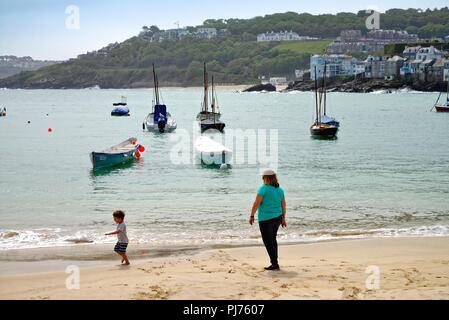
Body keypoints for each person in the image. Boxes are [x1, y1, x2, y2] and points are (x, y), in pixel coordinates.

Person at [250, 169, 287, 271]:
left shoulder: (263, 188)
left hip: (266, 219)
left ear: (265, 178)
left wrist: (252, 215)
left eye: (263, 177)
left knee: (268, 241)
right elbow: (283, 205)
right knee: (273, 239)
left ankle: (274, 263)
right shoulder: (280, 190)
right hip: (278, 218)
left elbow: (256, 203)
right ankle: (275, 262)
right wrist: (283, 218)